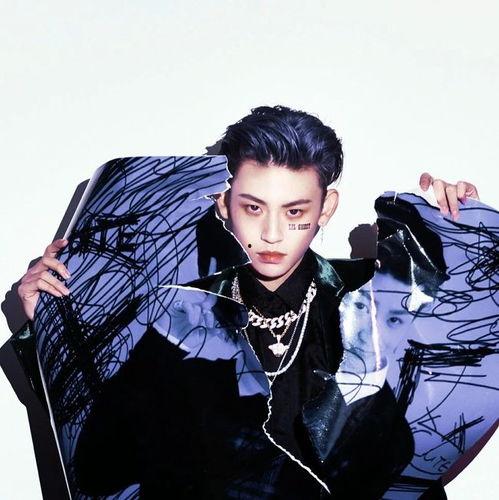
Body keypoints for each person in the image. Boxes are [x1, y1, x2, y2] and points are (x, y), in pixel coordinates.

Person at [16, 105, 479, 498]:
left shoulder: (373, 299)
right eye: (253, 207)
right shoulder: (174, 318)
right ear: (223, 204)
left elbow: (431, 447)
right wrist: (53, 327)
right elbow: (98, 464)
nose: (272, 234)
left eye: (294, 211)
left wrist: (467, 237)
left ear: (326, 208)